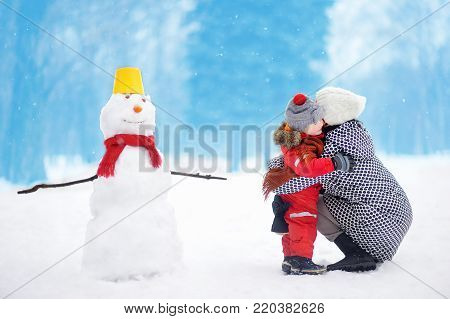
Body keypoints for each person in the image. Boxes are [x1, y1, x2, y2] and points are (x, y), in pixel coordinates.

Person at [268, 87, 413, 272]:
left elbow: (301, 175)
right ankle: (357, 253)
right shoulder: (350, 133)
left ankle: (358, 254)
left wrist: (280, 197)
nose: (315, 110)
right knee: (307, 197)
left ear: (330, 114)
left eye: (319, 109)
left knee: (308, 206)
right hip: (394, 216)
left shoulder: (335, 145)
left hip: (381, 223)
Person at [263, 93, 355, 275]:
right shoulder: (300, 148)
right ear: (305, 127)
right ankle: (300, 260)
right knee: (303, 224)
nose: (322, 123)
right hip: (301, 195)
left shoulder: (303, 137)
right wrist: (334, 163)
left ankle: (290, 259)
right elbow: (308, 167)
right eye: (318, 121)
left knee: (293, 226)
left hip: (298, 194)